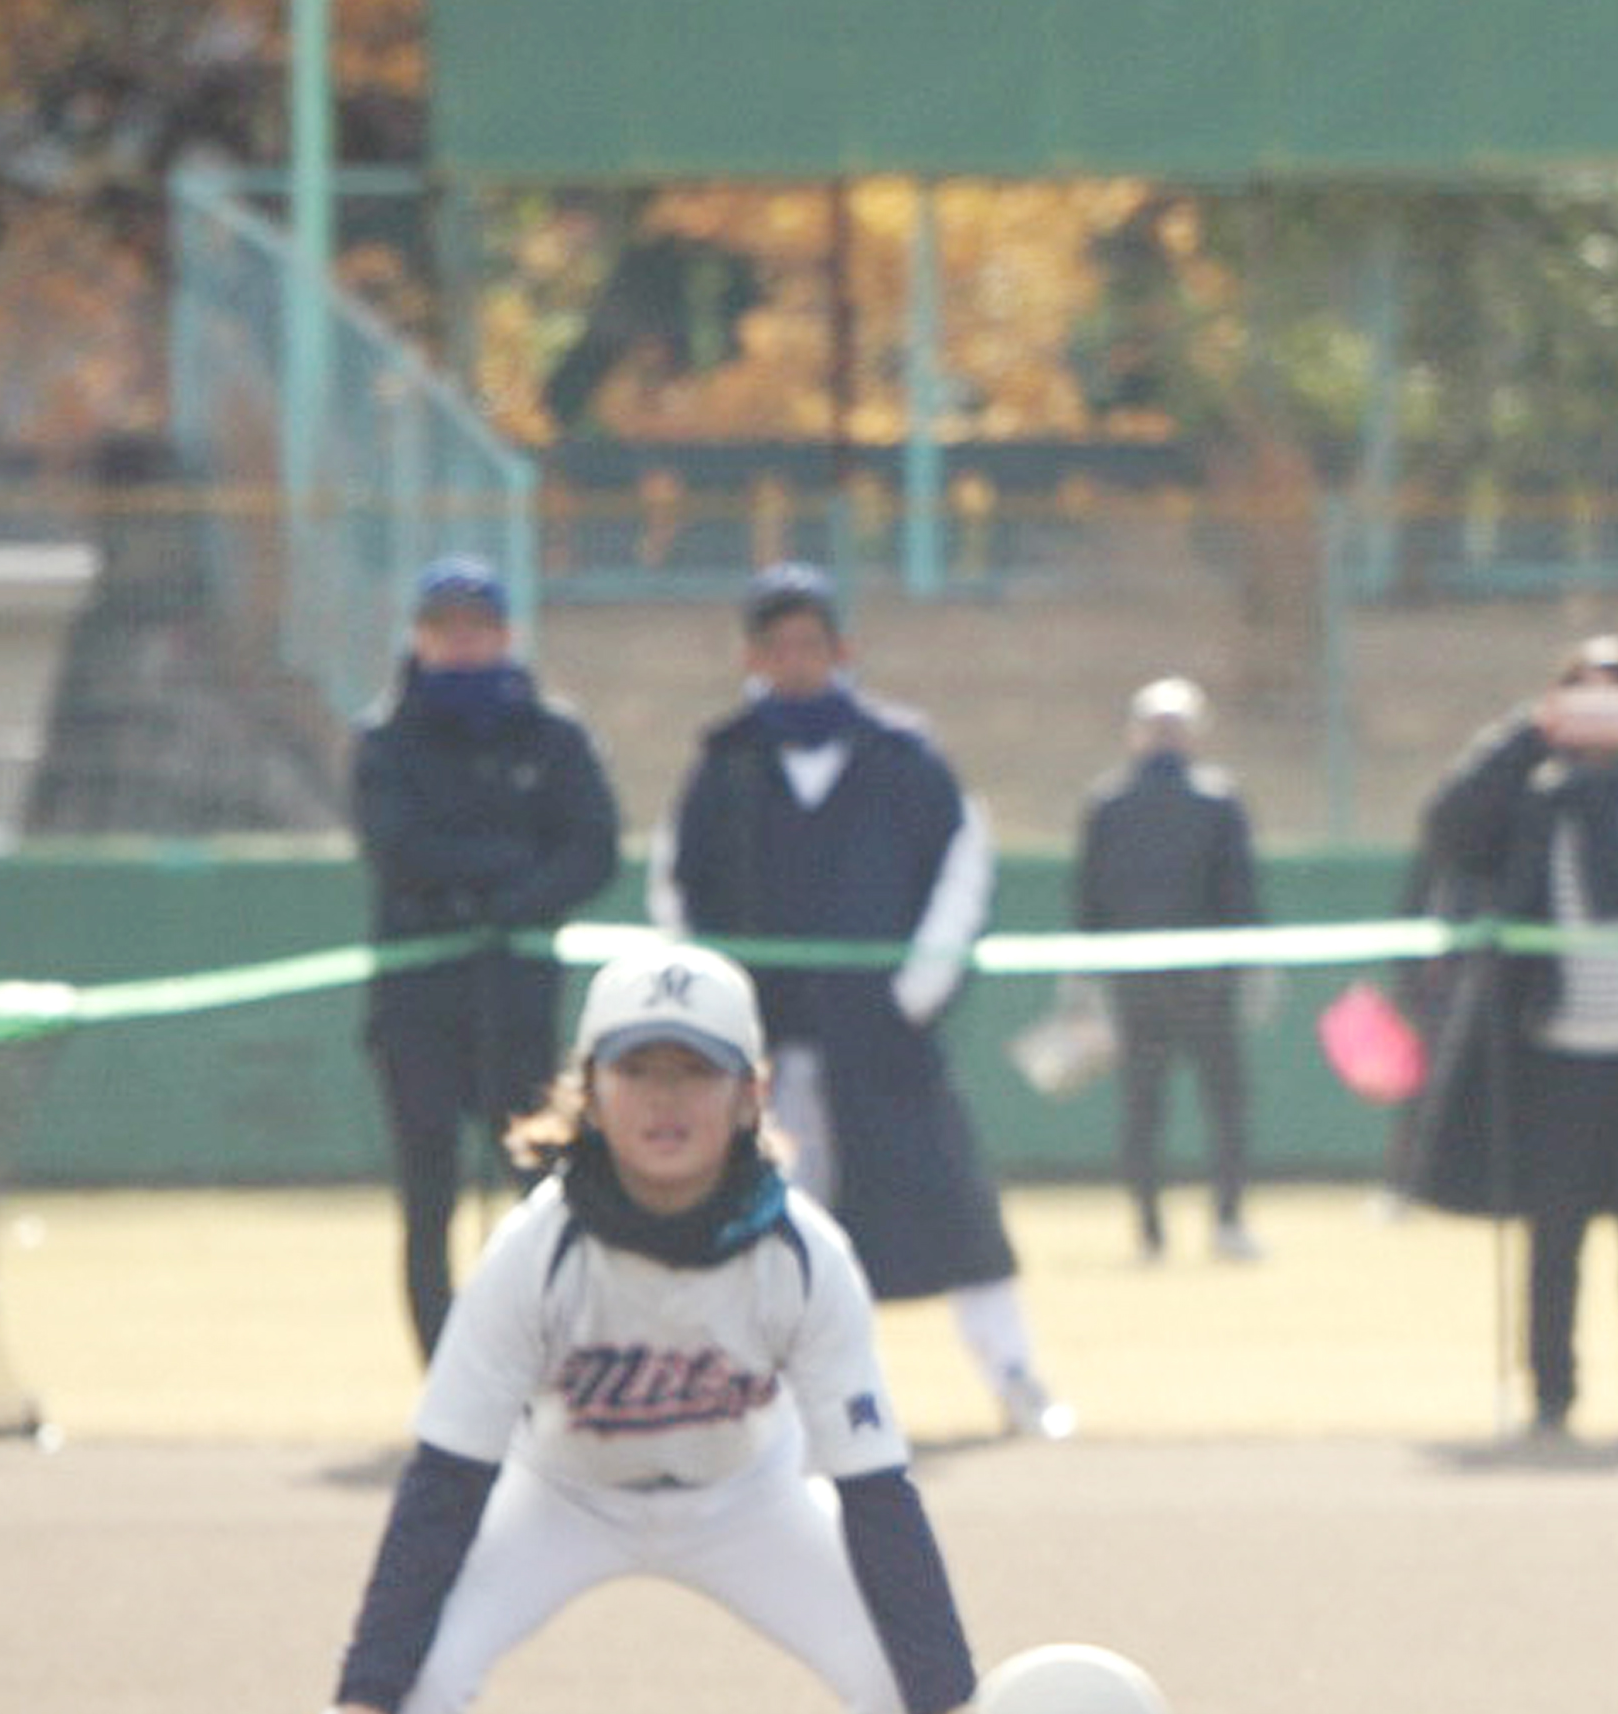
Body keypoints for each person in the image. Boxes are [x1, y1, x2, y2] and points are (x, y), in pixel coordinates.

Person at [218, 944, 1062, 1714]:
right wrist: (367, 1682)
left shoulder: (805, 1256)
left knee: (913, 1700)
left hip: (748, 1500)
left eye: (695, 1072)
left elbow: (877, 1496)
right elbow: (445, 1484)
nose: (667, 1101)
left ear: (751, 1093)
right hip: (563, 1496)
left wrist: (947, 1698)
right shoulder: (536, 1253)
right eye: (638, 1070)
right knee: (405, 1700)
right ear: (591, 1088)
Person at [650, 565, 1069, 1438]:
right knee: (761, 1233)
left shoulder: (902, 756)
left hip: (883, 1041)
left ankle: (1015, 1375)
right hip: (768, 1051)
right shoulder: (725, 763)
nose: (794, 660)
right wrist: (719, 1009)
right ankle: (752, 1402)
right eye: (776, 646)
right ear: (751, 657)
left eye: (810, 643)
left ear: (842, 650)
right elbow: (677, 890)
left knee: (955, 1208)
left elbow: (962, 864)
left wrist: (914, 991)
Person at [1402, 635, 1618, 1439]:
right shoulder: (1532, 799)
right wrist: (1528, 736)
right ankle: (1551, 1400)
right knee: (1552, 1244)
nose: (1601, 716)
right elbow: (1448, 828)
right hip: (1549, 1059)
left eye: (1617, 698)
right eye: (1584, 697)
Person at [346, 556, 623, 1361]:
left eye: (476, 629)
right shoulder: (386, 740)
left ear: (505, 635)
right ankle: (444, 1374)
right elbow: (399, 848)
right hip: (418, 1004)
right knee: (428, 1198)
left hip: (518, 1002)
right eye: (445, 629)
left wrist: (518, 900)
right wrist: (500, 875)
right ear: (419, 638)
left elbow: (590, 847)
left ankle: (559, 1361)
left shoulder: (554, 736)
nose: (461, 644)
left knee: (545, 1188)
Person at [1073, 675, 1266, 1263]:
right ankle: (1207, 1225)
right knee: (1212, 1104)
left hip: (1147, 979)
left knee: (1150, 1108)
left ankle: (1158, 1231)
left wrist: (1083, 973)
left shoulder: (1111, 803)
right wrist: (1251, 966)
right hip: (1200, 980)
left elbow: (1089, 900)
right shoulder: (1212, 800)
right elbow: (1240, 894)